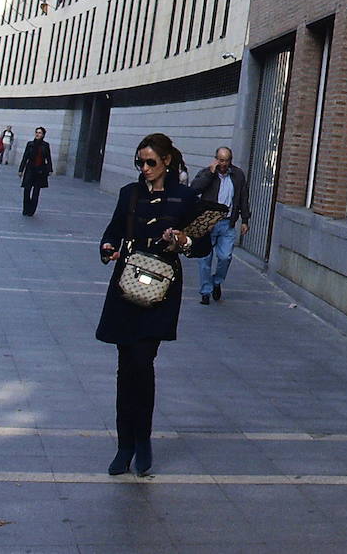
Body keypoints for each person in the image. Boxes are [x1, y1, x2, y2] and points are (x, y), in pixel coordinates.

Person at [96, 132, 206, 477]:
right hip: (126, 285)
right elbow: (112, 231)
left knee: (142, 363)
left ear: (167, 161)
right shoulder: (129, 194)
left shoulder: (185, 197)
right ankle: (123, 445)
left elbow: (200, 246)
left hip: (160, 288)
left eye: (151, 162)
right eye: (140, 163)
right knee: (124, 367)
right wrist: (107, 248)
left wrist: (184, 239)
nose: (144, 169)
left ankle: (142, 441)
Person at [189, 146, 251, 305]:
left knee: (225, 256)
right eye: (221, 160)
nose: (224, 164)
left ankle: (217, 281)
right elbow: (195, 189)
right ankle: (205, 292)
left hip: (227, 222)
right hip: (208, 223)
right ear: (216, 159)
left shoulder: (237, 175)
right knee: (205, 259)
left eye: (227, 160)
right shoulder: (207, 173)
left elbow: (243, 197)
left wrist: (244, 220)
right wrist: (210, 173)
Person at [17, 127, 53, 216]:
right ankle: (26, 208)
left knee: (36, 192)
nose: (38, 134)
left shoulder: (45, 145)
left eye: (40, 133)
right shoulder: (30, 144)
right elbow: (25, 157)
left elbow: (48, 158)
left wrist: (50, 169)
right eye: (36, 132)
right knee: (27, 190)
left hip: (40, 171)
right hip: (30, 169)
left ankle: (32, 210)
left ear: (43, 135)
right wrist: (21, 170)